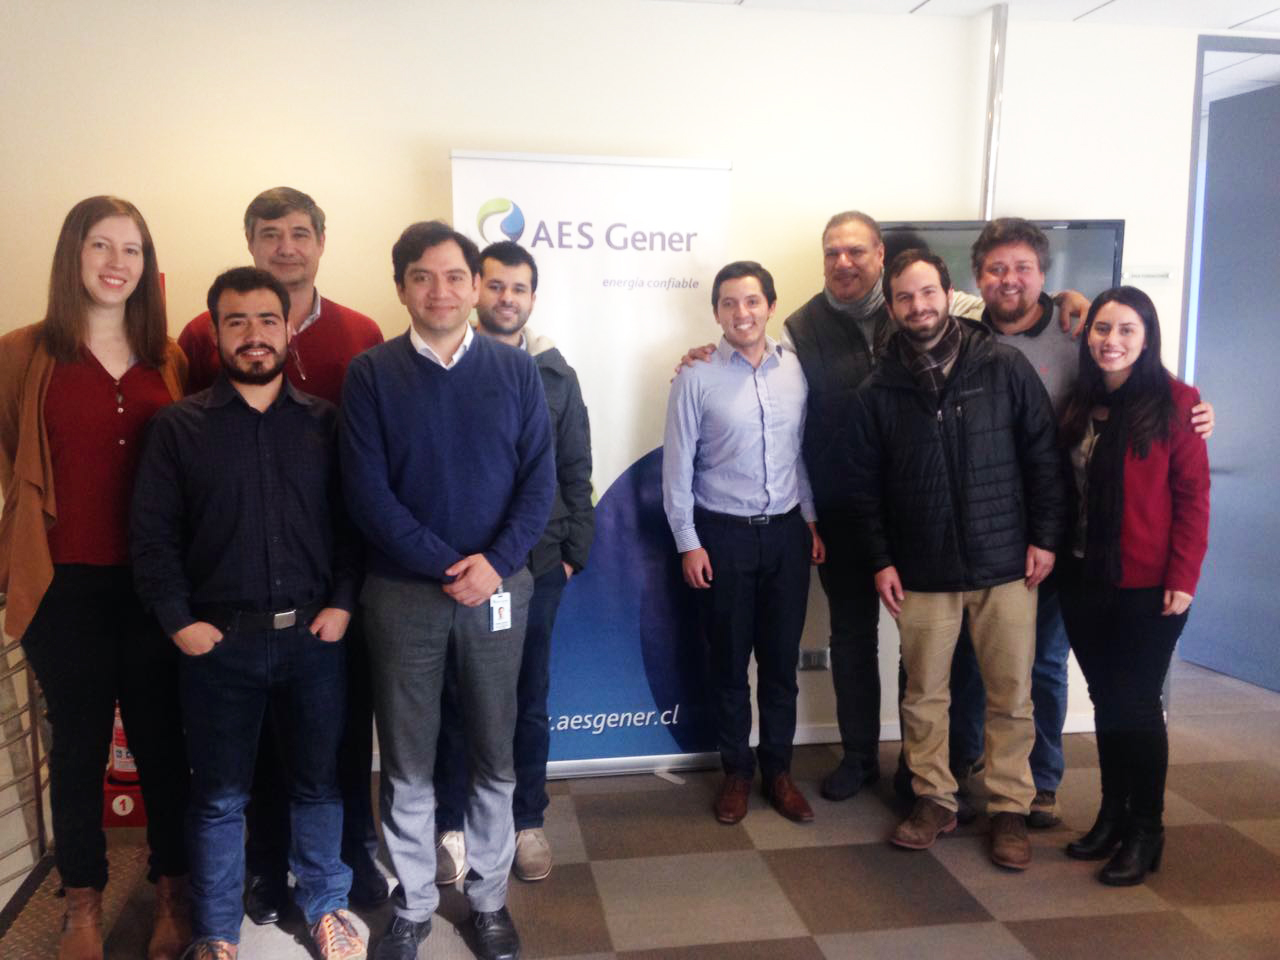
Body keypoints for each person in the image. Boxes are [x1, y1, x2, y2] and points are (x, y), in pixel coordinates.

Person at [677, 211, 1085, 804]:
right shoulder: (799, 329)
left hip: (927, 518)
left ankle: (926, 771)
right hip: (847, 511)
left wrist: (1068, 300)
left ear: (881, 257)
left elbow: (1011, 302)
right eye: (832, 253)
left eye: (856, 252)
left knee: (927, 654)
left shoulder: (941, 308)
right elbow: (756, 366)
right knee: (852, 639)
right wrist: (706, 355)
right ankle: (859, 757)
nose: (844, 263)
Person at [948, 218, 1217, 829]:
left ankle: (1044, 785)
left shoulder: (1078, 339)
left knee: (1049, 667)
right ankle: (966, 771)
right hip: (995, 540)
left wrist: (1197, 410)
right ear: (977, 279)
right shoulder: (962, 332)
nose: (1009, 279)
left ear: (1044, 275)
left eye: (1023, 268)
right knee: (972, 663)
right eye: (996, 269)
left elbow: (1185, 482)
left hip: (1075, 551)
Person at [131, 267, 364, 960]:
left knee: (318, 786)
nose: (254, 335)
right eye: (237, 321)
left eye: (267, 320)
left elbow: (351, 526)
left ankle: (326, 906)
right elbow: (152, 538)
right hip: (219, 648)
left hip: (313, 640)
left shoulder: (326, 423)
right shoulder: (178, 429)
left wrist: (343, 604)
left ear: (288, 329)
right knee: (218, 798)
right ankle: (216, 932)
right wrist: (179, 622)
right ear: (214, 333)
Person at [340, 222, 555, 960]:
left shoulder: (516, 371)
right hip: (404, 595)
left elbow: (540, 483)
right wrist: (446, 565)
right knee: (406, 756)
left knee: (494, 749)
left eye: (455, 276)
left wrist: (494, 563)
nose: (441, 291)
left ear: (474, 286)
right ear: (402, 287)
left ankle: (489, 901)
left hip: (498, 588)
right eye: (423, 277)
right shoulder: (370, 374)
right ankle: (414, 904)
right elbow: (367, 494)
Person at [179, 186, 386, 919]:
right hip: (236, 586)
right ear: (251, 242)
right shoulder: (201, 335)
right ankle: (267, 866)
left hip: (327, 581)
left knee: (337, 736)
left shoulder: (361, 331)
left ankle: (351, 855)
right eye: (271, 233)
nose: (287, 246)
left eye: (301, 233)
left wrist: (344, 592)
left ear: (321, 243)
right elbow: (191, 440)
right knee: (255, 746)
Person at [0, 195, 191, 960]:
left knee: (161, 746)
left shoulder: (166, 357)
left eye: (132, 249)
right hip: (62, 587)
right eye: (100, 246)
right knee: (77, 752)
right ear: (72, 256)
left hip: (154, 587)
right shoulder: (21, 353)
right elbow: (13, 458)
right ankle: (81, 903)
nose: (117, 263)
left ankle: (172, 892)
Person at [847, 249, 1064, 870]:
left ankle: (1009, 807)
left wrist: (1045, 537)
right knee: (924, 696)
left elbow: (1043, 457)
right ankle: (934, 799)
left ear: (949, 295)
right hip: (922, 570)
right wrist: (881, 560)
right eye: (905, 297)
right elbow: (864, 489)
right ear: (892, 307)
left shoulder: (1004, 366)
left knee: (1012, 695)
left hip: (1006, 564)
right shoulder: (877, 390)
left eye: (927, 293)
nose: (918, 306)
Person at [433, 241, 594, 885]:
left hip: (538, 566)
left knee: (529, 699)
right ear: (476, 289)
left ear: (532, 297)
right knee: (454, 700)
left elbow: (576, 467)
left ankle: (527, 821)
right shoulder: (444, 364)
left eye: (518, 288)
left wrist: (572, 552)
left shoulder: (556, 374)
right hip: (462, 568)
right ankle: (450, 825)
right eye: (495, 285)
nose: (506, 298)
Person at [662, 261, 826, 825]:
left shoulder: (795, 371)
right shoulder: (695, 377)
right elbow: (677, 470)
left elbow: (798, 453)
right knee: (729, 666)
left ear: (770, 307)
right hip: (722, 538)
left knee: (780, 667)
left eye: (752, 301)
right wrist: (688, 542)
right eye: (729, 303)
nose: (742, 313)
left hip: (786, 536)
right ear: (716, 312)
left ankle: (778, 772)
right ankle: (737, 772)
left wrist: (809, 520)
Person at [1057, 286, 1209, 886]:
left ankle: (1147, 828)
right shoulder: (1079, 401)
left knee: (1138, 705)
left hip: (1150, 585)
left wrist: (1184, 578)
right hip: (1082, 576)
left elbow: (1193, 499)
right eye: (1102, 328)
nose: (1111, 341)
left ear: (1147, 339)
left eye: (1126, 330)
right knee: (1106, 700)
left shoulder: (1178, 404)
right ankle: (1113, 814)